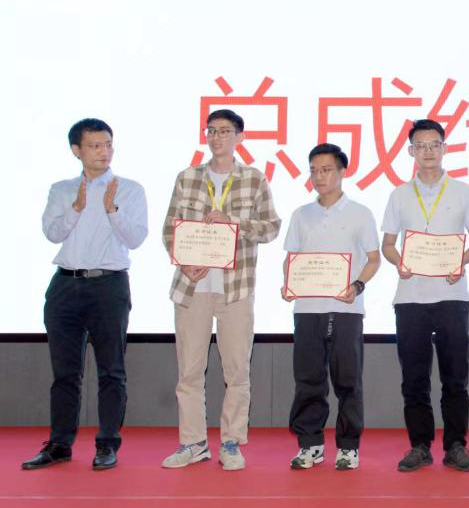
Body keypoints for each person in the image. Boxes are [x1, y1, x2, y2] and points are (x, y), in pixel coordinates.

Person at [159, 109, 281, 471]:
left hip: (235, 289)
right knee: (189, 372)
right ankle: (193, 443)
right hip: (192, 287)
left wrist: (234, 222)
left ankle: (231, 442)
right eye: (211, 131)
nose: (216, 137)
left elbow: (271, 228)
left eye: (225, 131)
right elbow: (170, 229)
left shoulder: (254, 179)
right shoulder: (187, 178)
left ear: (240, 137)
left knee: (236, 371)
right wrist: (183, 262)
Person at [24, 119, 148, 471]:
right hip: (65, 286)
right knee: (65, 373)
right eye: (94, 146)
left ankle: (107, 443)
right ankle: (59, 444)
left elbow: (136, 239)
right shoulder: (61, 189)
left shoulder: (129, 189)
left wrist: (112, 210)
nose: (103, 152)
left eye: (107, 144)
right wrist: (76, 207)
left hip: (109, 285)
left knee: (112, 371)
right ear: (76, 150)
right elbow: (52, 233)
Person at [382, 119, 469, 473]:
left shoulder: (463, 192)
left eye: (434, 145)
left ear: (444, 148)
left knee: (455, 377)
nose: (428, 152)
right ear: (411, 151)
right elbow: (388, 244)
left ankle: (456, 445)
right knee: (414, 378)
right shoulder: (398, 195)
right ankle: (420, 445)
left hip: (452, 296)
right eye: (421, 146)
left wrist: (460, 262)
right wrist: (399, 262)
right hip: (410, 298)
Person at [282, 144, 380, 470]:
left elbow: (373, 259)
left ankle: (348, 446)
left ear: (342, 172)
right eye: (313, 170)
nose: (319, 177)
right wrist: (288, 284)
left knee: (347, 380)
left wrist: (358, 286)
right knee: (308, 378)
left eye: (326, 170)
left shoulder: (360, 213)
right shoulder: (301, 214)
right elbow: (291, 258)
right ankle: (310, 444)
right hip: (307, 308)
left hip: (346, 308)